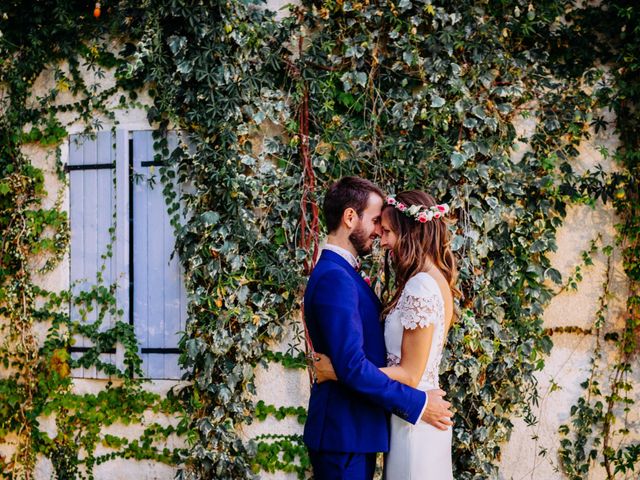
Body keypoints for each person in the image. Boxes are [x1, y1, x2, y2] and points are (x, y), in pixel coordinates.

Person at [303, 177, 454, 480]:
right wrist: (418, 404)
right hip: (344, 434)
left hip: (360, 430)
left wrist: (335, 371)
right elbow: (353, 365)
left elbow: (352, 365)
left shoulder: (347, 274)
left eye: (384, 229)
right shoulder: (336, 277)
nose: (379, 235)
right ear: (349, 218)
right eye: (375, 222)